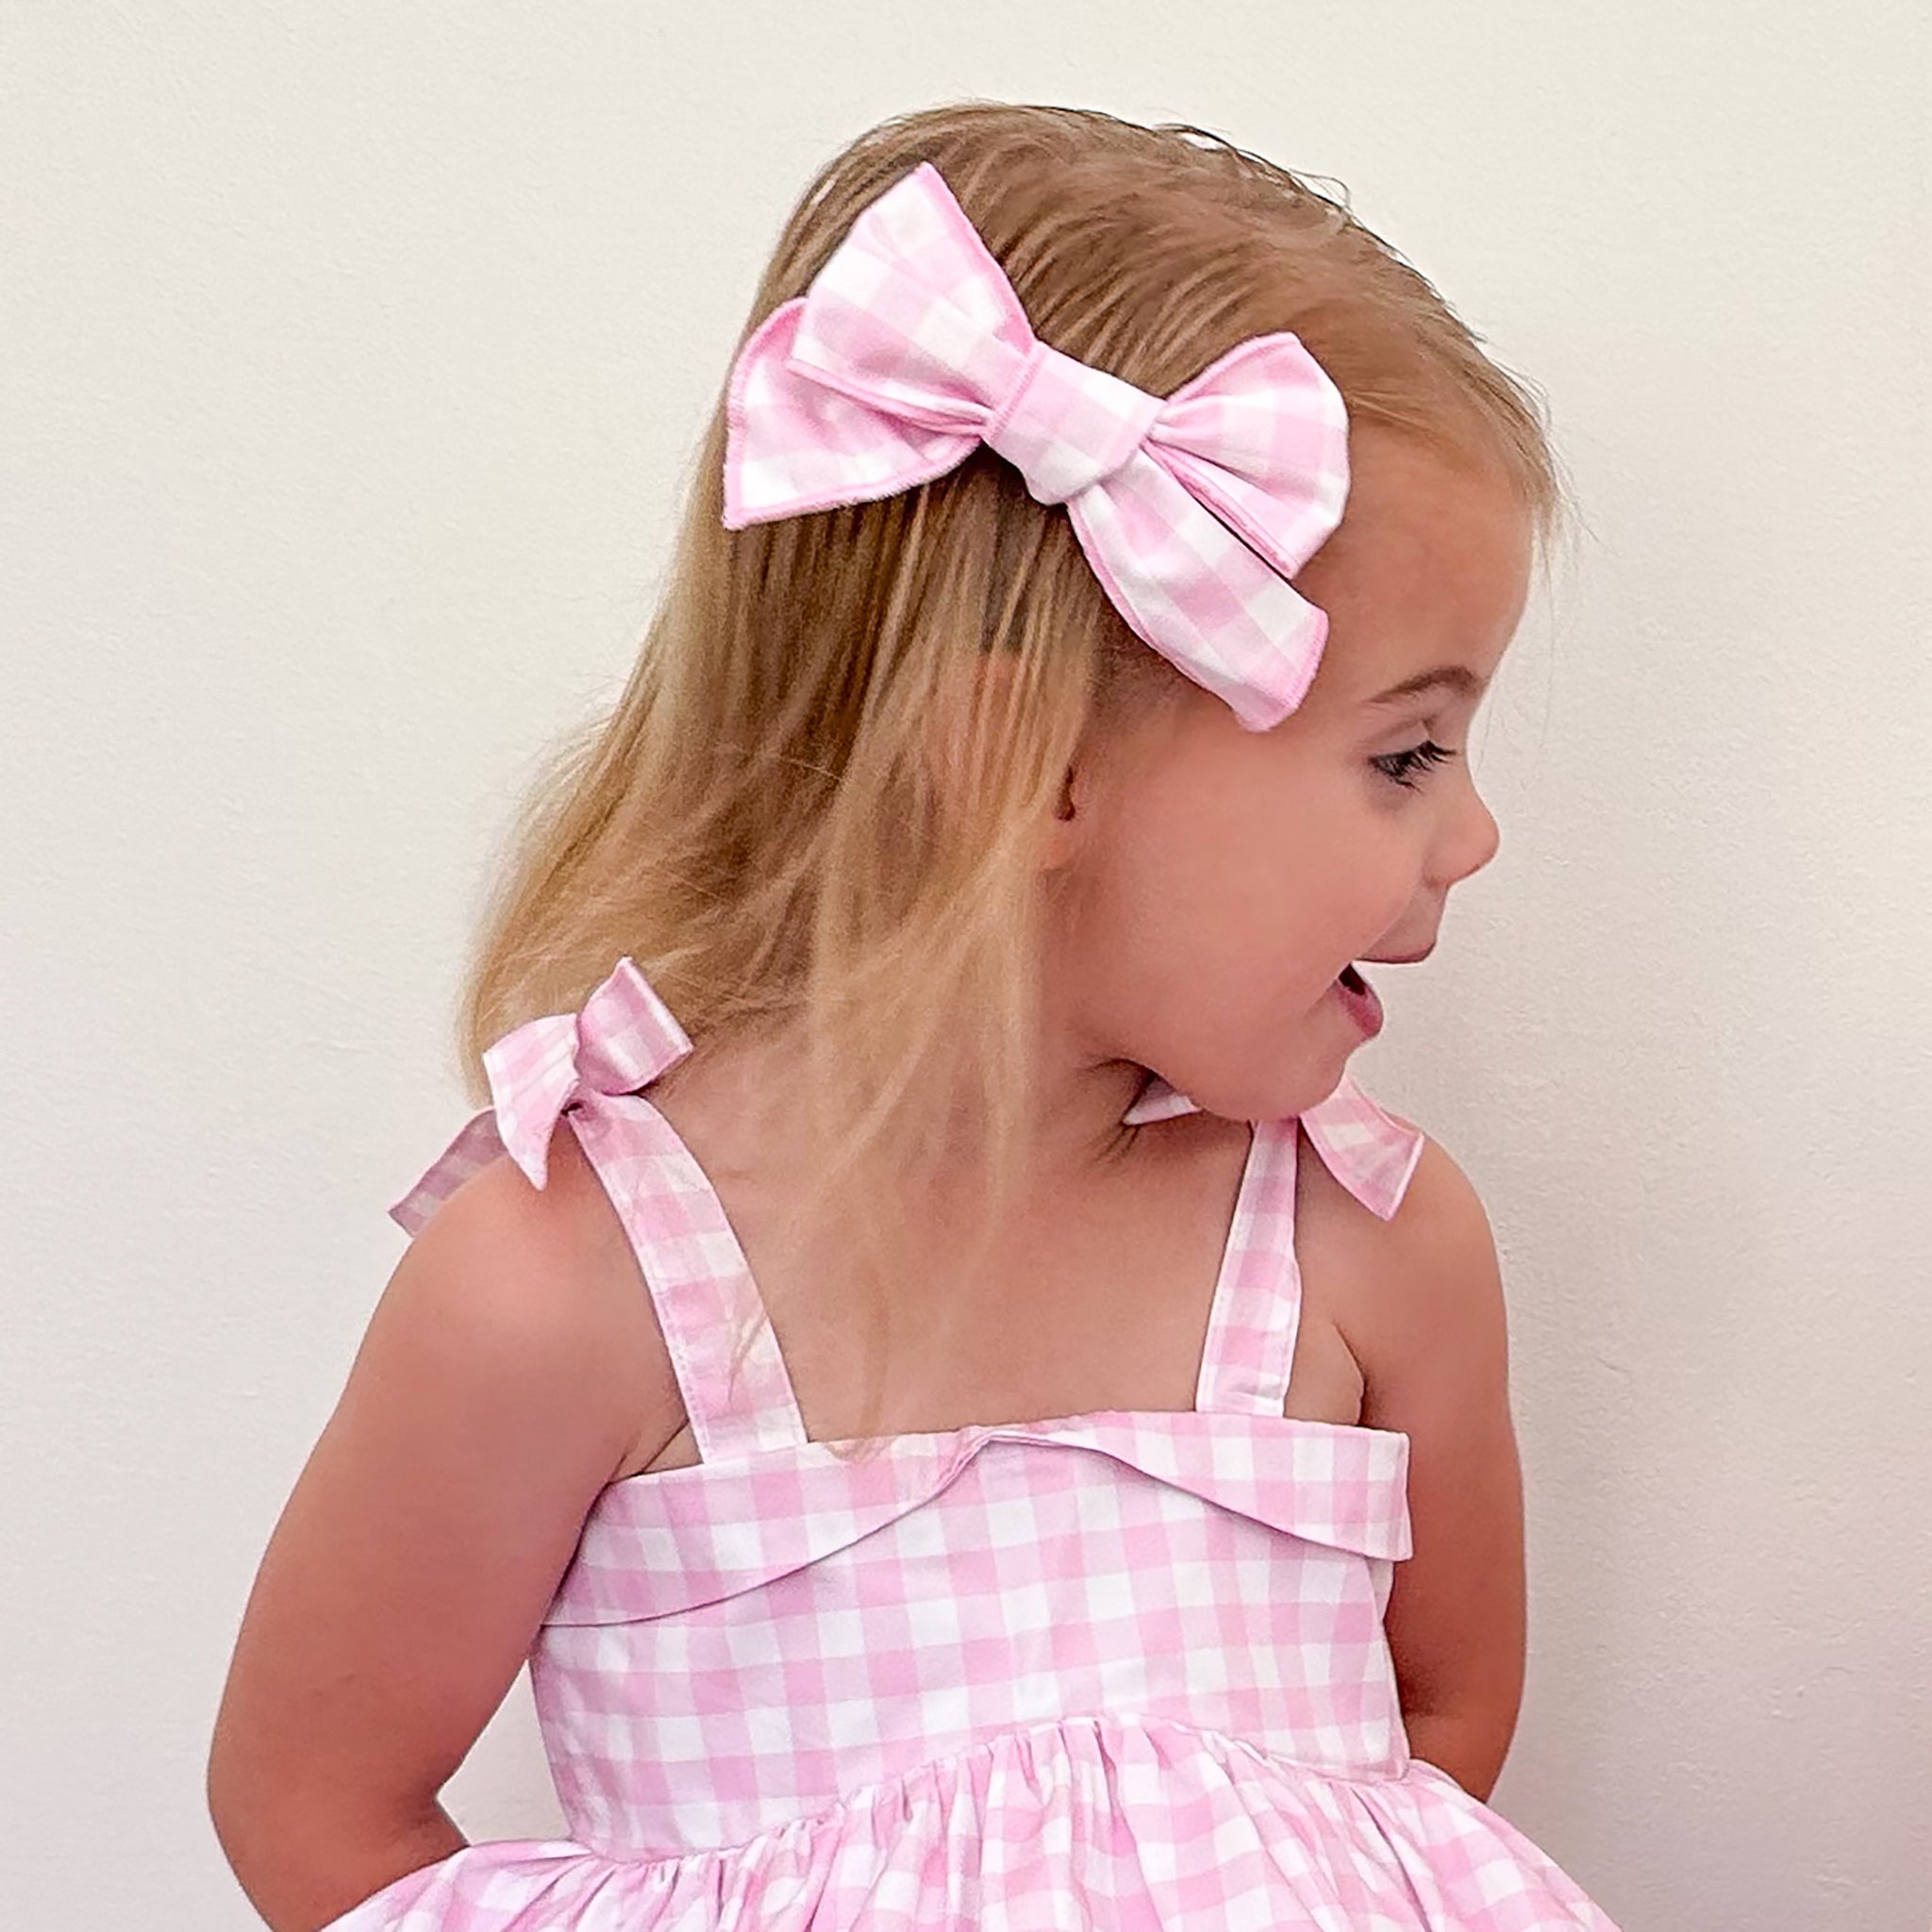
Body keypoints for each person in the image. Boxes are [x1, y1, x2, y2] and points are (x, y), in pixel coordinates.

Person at [208, 101, 1620, 1931]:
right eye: (1403, 751)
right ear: (1014, 765)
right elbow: (317, 1819)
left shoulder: (1371, 1247)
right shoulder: (567, 1286)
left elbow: (1434, 1744)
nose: (1473, 833)